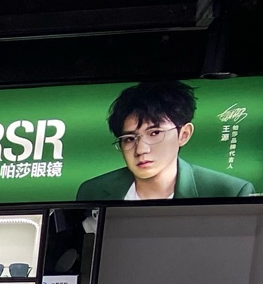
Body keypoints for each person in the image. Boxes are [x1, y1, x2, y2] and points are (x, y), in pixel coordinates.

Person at [75, 81, 257, 201]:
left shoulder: (230, 192)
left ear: (184, 134)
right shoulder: (93, 191)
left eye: (155, 133)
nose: (141, 149)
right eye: (129, 139)